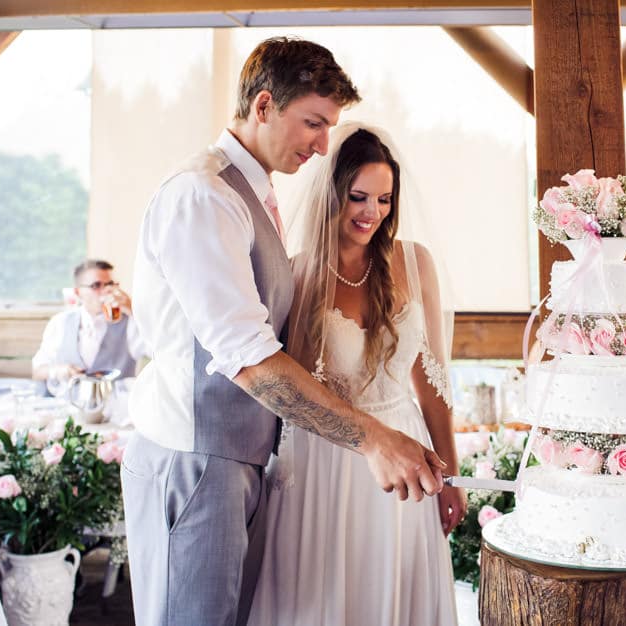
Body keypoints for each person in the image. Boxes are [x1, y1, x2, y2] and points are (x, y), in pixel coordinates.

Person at [121, 38, 446, 626]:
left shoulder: (254, 193)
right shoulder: (204, 195)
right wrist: (373, 439)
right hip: (196, 458)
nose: (324, 146)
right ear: (265, 105)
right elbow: (248, 355)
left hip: (239, 463)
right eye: (314, 124)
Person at [249, 124, 463, 625]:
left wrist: (449, 476)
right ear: (332, 195)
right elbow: (285, 386)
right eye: (359, 197)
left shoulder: (415, 263)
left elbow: (433, 385)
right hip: (325, 464)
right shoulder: (297, 275)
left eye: (385, 199)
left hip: (407, 458)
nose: (373, 213)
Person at [32, 259, 145, 389]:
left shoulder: (130, 322)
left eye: (110, 284)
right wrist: (60, 370)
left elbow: (158, 350)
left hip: (115, 406)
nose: (106, 291)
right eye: (96, 286)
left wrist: (134, 309)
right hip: (70, 403)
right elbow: (37, 371)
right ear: (77, 292)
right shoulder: (61, 322)